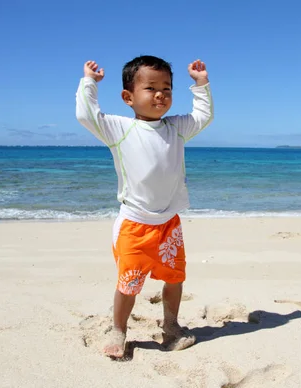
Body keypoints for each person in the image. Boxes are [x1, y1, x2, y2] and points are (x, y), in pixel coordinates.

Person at [75, 55, 213, 359]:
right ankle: (118, 330)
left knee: (175, 277)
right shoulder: (119, 129)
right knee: (129, 284)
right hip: (134, 225)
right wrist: (89, 82)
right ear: (128, 97)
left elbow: (203, 116)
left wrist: (200, 84)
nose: (160, 94)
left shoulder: (176, 128)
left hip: (169, 225)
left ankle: (171, 326)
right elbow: (87, 115)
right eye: (151, 88)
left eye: (167, 87)